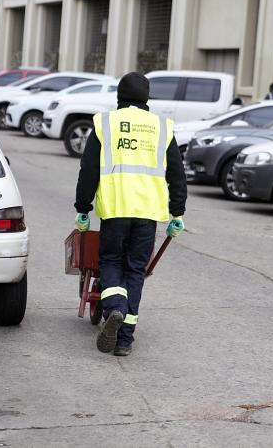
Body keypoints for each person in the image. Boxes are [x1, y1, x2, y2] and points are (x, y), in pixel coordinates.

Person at [74, 72, 187, 357]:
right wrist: (177, 213)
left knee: (111, 261)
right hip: (148, 212)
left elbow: (88, 170)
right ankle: (124, 339)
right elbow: (177, 173)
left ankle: (115, 309)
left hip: (115, 209)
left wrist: (83, 208)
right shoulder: (162, 127)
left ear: (119, 97)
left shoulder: (106, 124)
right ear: (147, 98)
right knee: (136, 269)